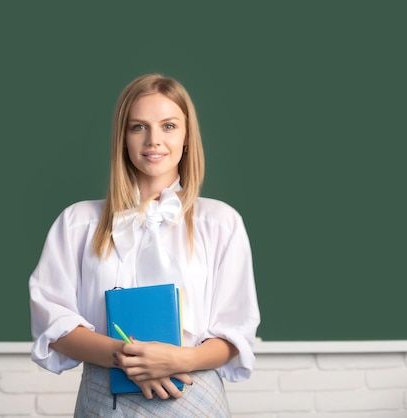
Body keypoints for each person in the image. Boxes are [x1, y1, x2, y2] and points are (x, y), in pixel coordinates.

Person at [29, 73, 260, 417]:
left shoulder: (221, 222)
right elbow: (54, 323)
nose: (154, 140)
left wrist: (181, 358)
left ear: (186, 137)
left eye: (168, 126)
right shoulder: (78, 222)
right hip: (106, 399)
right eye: (139, 127)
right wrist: (129, 357)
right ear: (122, 137)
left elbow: (235, 330)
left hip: (192, 394)